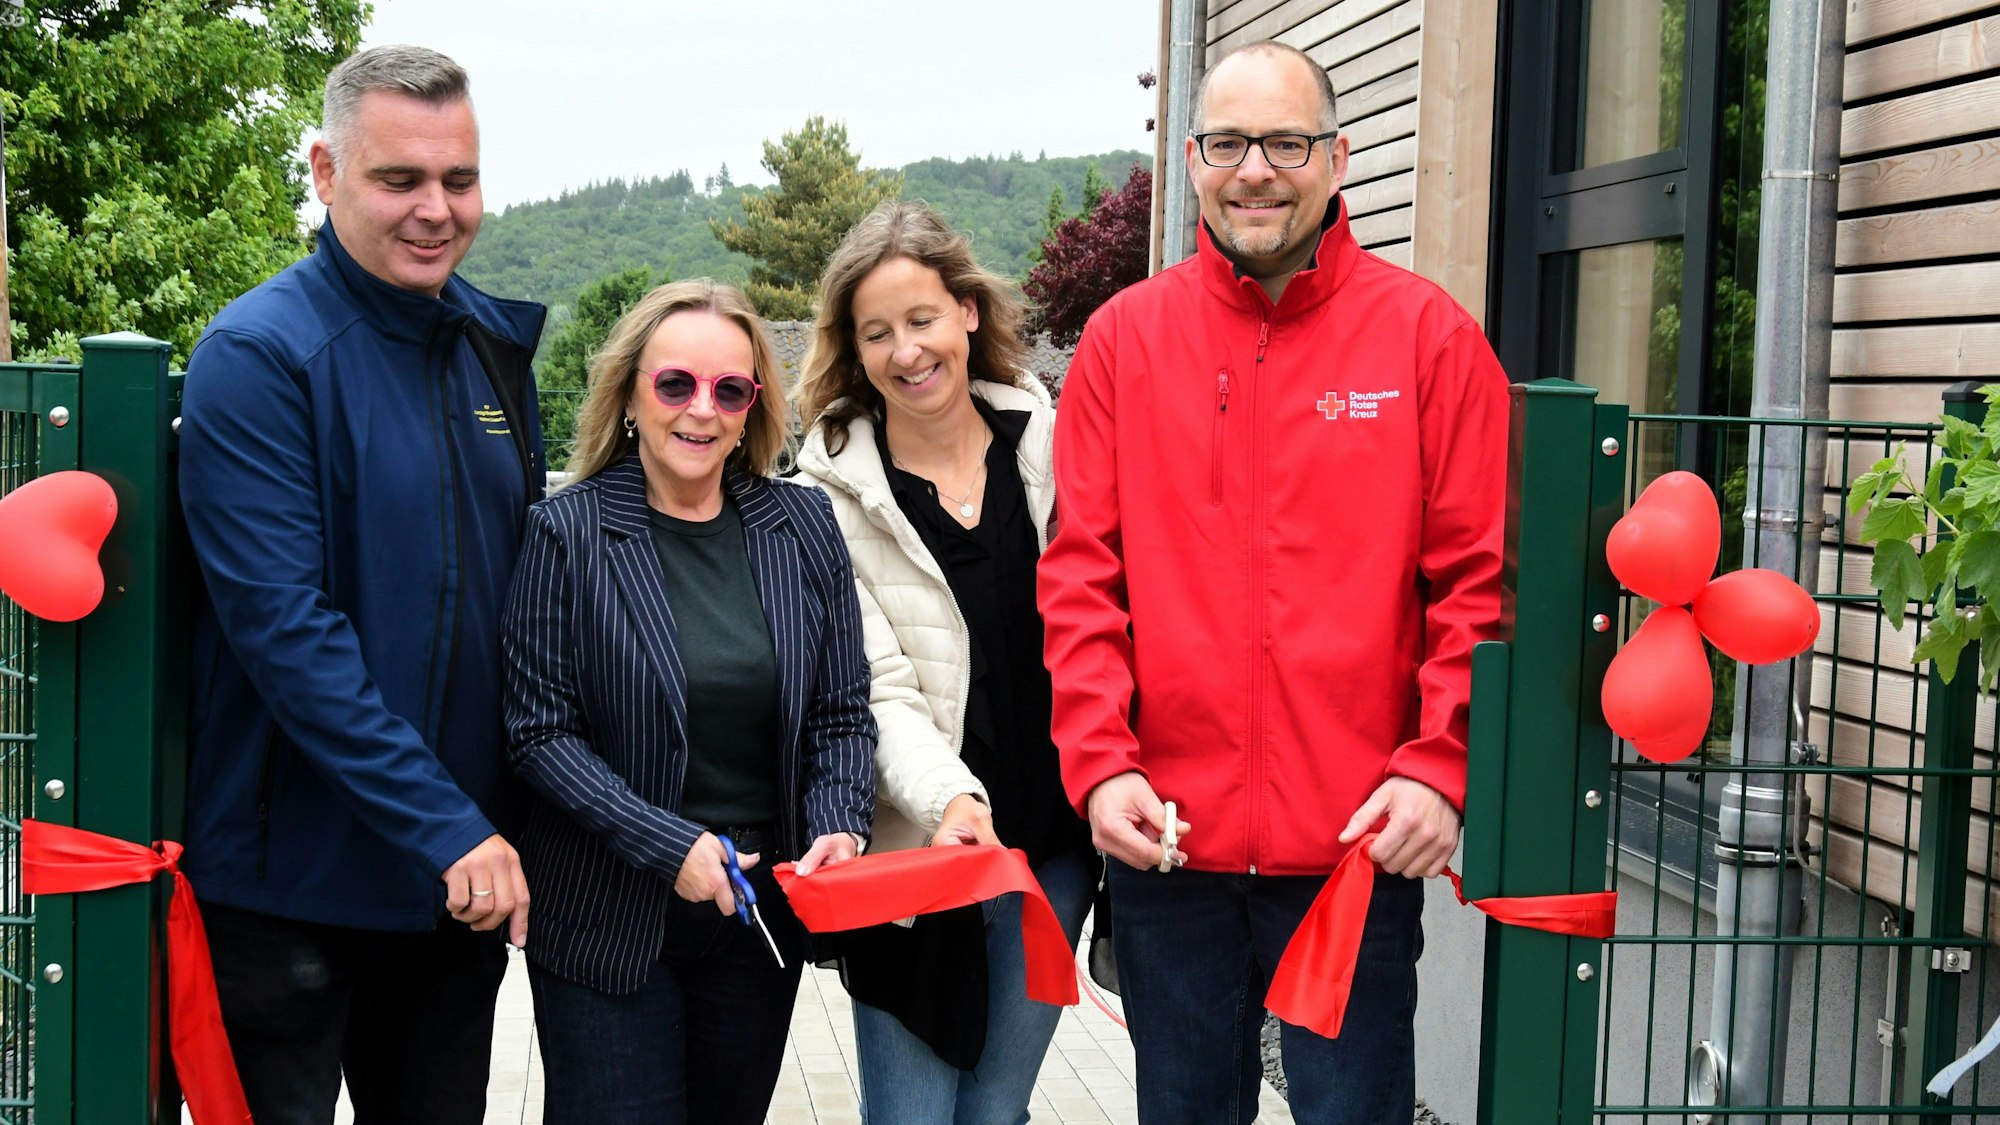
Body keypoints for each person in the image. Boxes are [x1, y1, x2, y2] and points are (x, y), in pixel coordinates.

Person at [1037, 39, 1511, 1124]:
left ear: (1336, 159)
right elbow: (1079, 583)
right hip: (1171, 846)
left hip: (1354, 849)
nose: (1255, 169)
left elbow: (1477, 586)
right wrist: (1100, 769)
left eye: (1285, 142)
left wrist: (1442, 769)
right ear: (1190, 158)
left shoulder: (1427, 340)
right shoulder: (1121, 343)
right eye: (1227, 142)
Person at [177, 45, 543, 1124]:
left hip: (449, 897)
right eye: (400, 181)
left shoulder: (485, 344)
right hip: (291, 889)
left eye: (459, 180)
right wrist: (448, 825)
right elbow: (283, 629)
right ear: (326, 171)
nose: (436, 210)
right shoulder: (257, 355)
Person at [501, 278, 876, 1125]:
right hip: (606, 917)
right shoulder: (568, 530)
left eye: (729, 389)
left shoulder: (803, 524)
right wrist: (669, 844)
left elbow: (842, 713)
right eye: (676, 383)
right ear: (632, 392)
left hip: (752, 920)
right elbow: (539, 733)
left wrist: (839, 823)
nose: (700, 410)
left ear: (752, 407)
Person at [792, 199, 1097, 1123]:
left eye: (921, 319)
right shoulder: (828, 497)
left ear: (967, 311)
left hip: (1050, 848)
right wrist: (949, 801)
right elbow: (873, 686)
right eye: (876, 333)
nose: (906, 351)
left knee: (998, 1107)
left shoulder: (1056, 449)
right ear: (854, 350)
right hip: (922, 855)